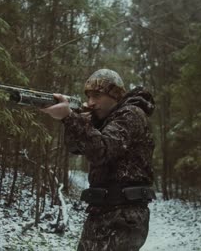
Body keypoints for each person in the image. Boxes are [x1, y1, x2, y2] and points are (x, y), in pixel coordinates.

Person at [41, 69, 156, 251]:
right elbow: (75, 147)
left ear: (114, 95)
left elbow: (101, 151)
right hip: (101, 210)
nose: (91, 102)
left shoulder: (131, 114)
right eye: (88, 96)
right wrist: (75, 119)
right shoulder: (105, 120)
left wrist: (69, 117)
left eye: (97, 95)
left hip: (123, 214)